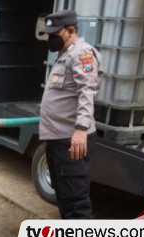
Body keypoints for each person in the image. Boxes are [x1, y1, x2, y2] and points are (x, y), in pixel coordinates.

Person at [38, 10, 103, 219]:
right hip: (58, 140)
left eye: (54, 34)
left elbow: (87, 90)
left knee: (76, 204)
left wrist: (81, 129)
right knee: (64, 197)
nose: (50, 39)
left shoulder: (82, 54)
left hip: (72, 141)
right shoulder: (64, 55)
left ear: (71, 30)